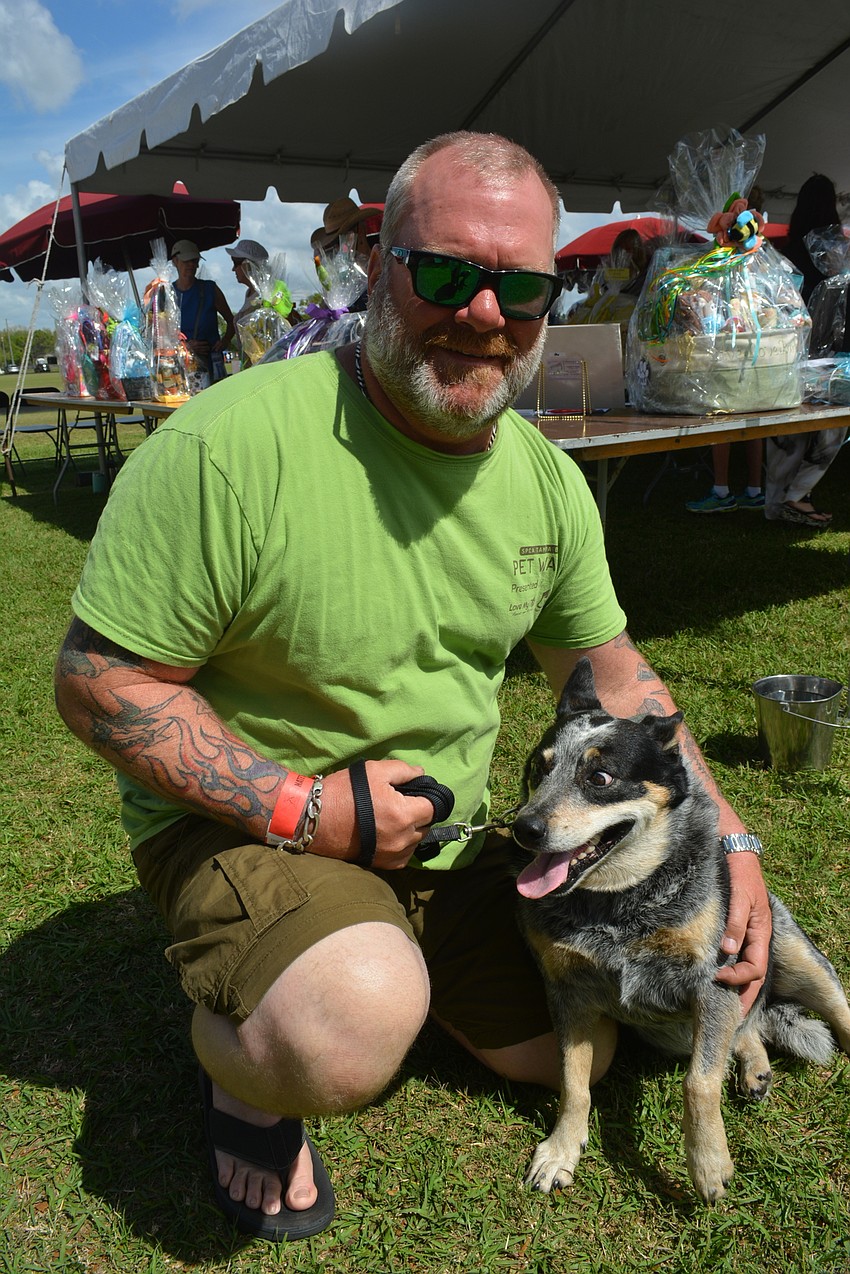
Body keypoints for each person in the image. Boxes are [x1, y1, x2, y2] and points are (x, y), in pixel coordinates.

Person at [54, 132, 770, 1245]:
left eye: (522, 288)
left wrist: (731, 842)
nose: (484, 314)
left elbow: (620, 676)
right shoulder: (228, 447)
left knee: (578, 1046)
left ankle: (379, 961)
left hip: (450, 843)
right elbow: (98, 682)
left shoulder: (542, 483)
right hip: (249, 824)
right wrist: (308, 807)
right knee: (343, 1031)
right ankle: (249, 1056)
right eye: (447, 273)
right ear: (381, 262)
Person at [766, 174, 848, 526]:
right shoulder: (834, 256)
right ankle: (797, 496)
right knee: (832, 429)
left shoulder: (785, 255)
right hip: (828, 359)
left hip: (788, 355)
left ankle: (775, 503)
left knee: (786, 432)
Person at [170, 239, 236, 381]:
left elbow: (232, 322)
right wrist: (186, 347)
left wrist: (224, 342)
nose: (191, 265)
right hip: (179, 368)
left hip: (211, 366)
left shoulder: (210, 289)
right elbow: (159, 336)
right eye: (187, 261)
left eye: (194, 261)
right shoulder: (167, 294)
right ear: (175, 261)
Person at [310, 197, 383, 311]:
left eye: (340, 239)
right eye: (333, 243)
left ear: (359, 230)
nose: (337, 248)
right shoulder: (338, 274)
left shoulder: (381, 262)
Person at [225, 238, 270, 368]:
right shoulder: (249, 294)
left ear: (247, 264)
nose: (233, 269)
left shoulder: (265, 296)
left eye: (236, 263)